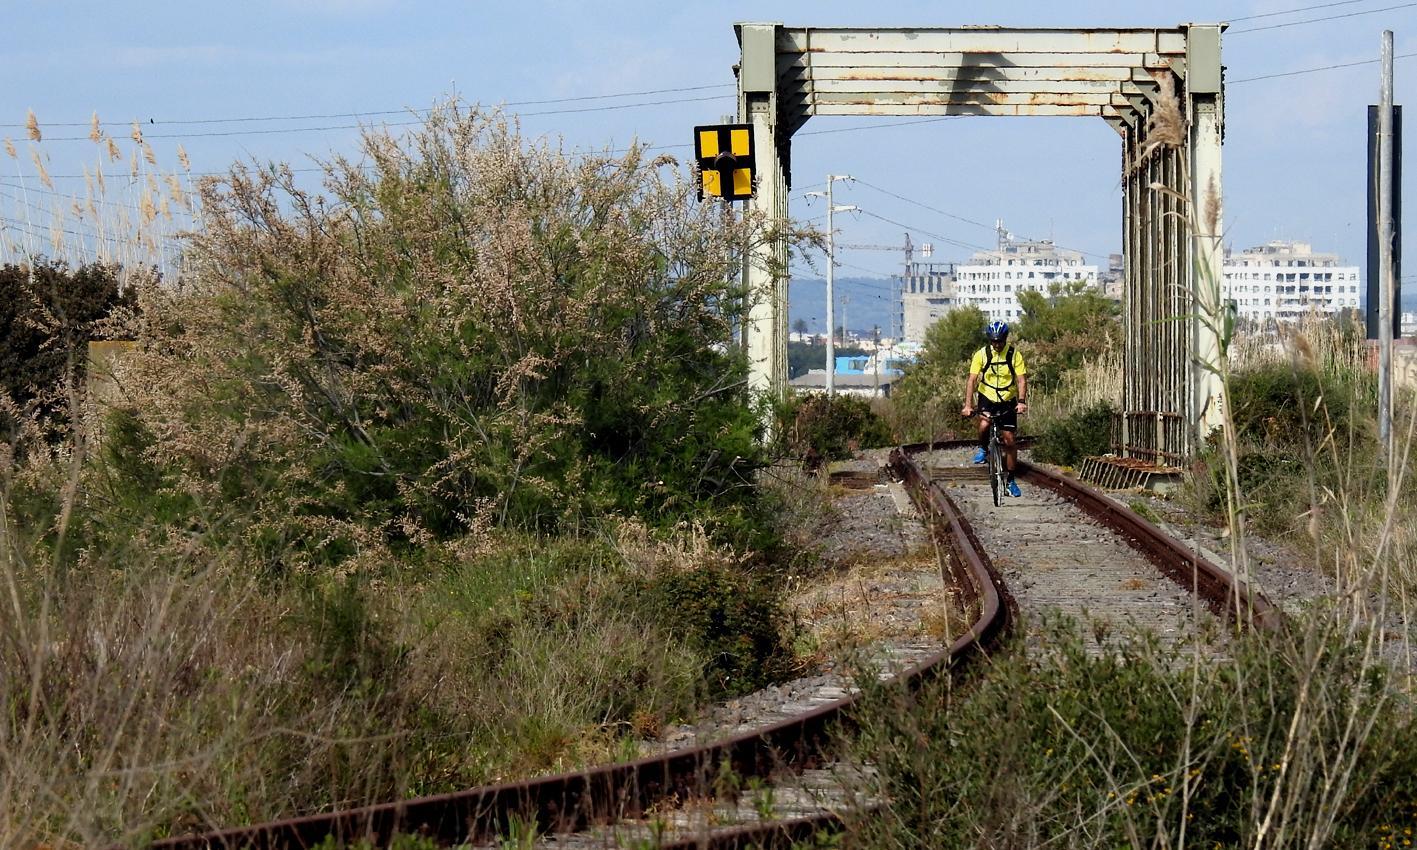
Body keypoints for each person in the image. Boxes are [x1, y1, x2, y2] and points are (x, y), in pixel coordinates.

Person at [961, 320, 1028, 497]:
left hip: (1007, 398)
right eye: (993, 341)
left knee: (1010, 440)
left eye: (1000, 341)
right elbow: (972, 380)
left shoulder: (1014, 355)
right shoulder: (981, 355)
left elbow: (1021, 379)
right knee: (984, 425)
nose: (997, 344)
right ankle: (984, 449)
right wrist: (968, 405)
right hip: (987, 396)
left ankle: (1010, 481)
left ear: (1005, 339)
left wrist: (1021, 401)